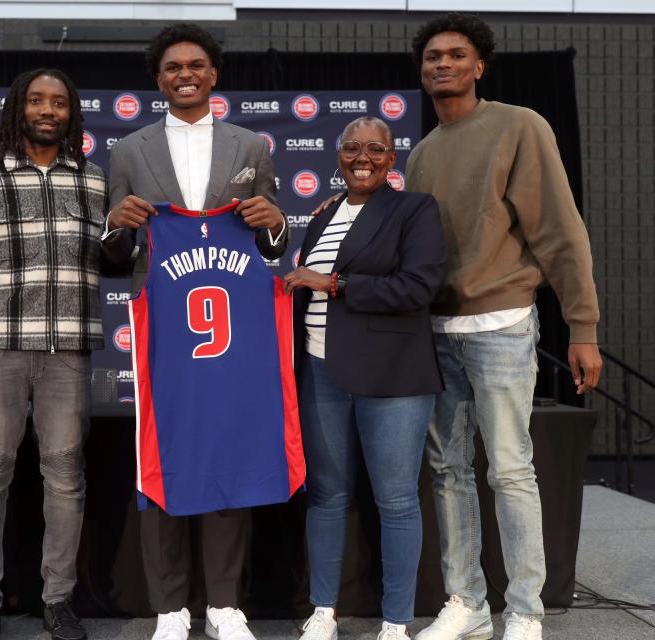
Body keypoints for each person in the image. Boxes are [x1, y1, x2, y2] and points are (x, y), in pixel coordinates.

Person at [404, 14, 602, 640]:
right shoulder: (422, 153)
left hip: (502, 325)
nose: (443, 64)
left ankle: (523, 611)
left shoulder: (519, 125)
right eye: (433, 56)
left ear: (479, 65)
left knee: (510, 470)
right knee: (448, 470)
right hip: (436, 332)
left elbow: (560, 233)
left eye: (456, 54)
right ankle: (465, 602)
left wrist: (583, 326)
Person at [101, 23, 288, 640]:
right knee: (160, 458)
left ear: (214, 73)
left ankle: (225, 605)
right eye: (173, 66)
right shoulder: (128, 151)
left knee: (228, 456)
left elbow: (268, 244)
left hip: (229, 338)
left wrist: (276, 224)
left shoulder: (250, 147)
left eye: (197, 65)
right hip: (163, 338)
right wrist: (117, 226)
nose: (185, 74)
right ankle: (171, 606)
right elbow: (113, 253)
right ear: (159, 78)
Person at [0, 68, 105, 640]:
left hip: (67, 354)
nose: (47, 110)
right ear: (18, 107)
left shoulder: (93, 180)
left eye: (59, 102)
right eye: (36, 100)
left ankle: (57, 599)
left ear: (71, 114)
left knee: (65, 477)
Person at [284, 117, 446, 640]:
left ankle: (396, 621)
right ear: (338, 155)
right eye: (352, 147)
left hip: (393, 375)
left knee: (396, 500)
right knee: (326, 495)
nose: (363, 156)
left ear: (391, 158)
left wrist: (333, 282)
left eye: (376, 148)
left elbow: (417, 288)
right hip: (320, 371)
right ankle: (323, 611)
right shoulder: (324, 215)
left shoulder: (414, 209)